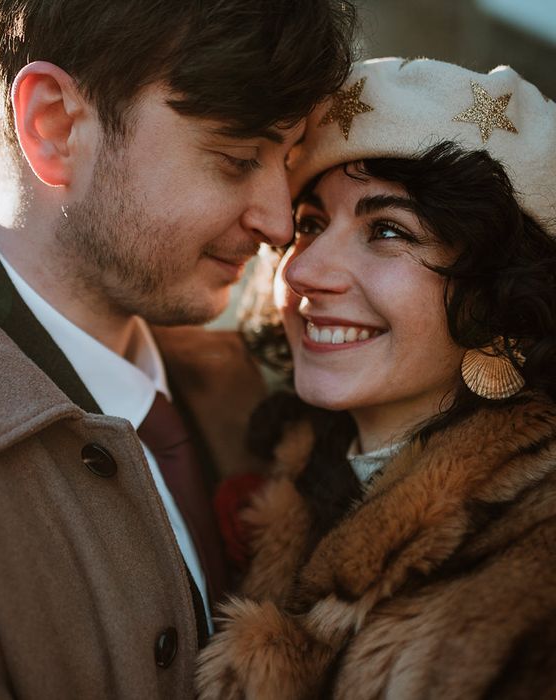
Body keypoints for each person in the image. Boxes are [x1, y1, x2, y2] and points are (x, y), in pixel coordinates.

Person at [0, 1, 356, 698]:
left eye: (287, 161)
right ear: (54, 125)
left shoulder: (257, 392)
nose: (277, 221)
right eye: (237, 158)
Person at [196, 57, 556, 699]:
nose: (305, 271)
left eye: (387, 230)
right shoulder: (265, 475)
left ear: (502, 295)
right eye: (309, 224)